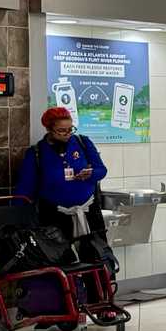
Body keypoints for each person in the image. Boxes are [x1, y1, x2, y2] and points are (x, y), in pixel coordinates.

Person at [17, 105, 110, 253]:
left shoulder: (82, 143)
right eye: (61, 131)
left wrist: (91, 173)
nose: (67, 134)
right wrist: (17, 219)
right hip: (54, 218)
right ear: (49, 129)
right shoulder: (36, 153)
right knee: (63, 260)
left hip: (89, 213)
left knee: (98, 258)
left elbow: (102, 170)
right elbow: (25, 189)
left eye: (70, 129)